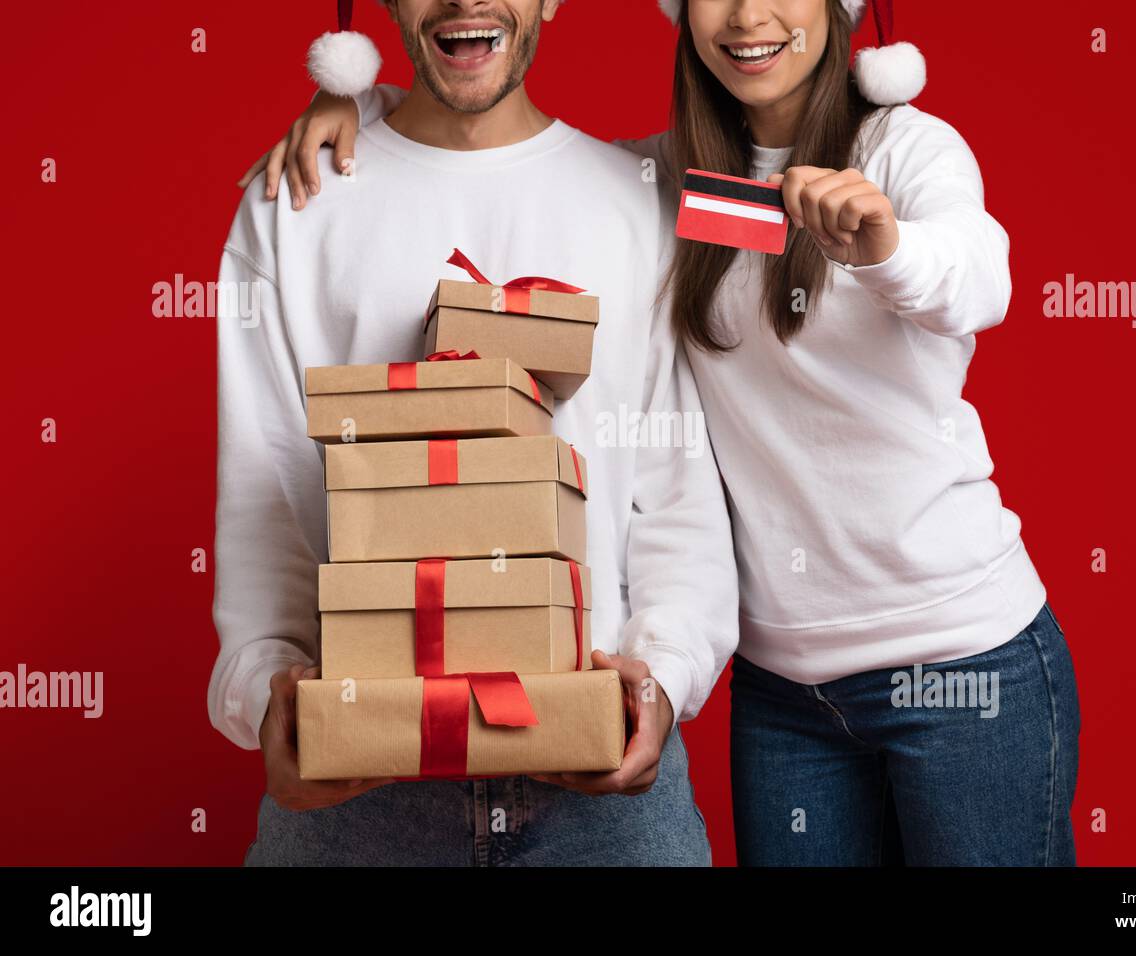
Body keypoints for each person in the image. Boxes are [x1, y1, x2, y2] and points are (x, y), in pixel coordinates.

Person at [248, 0, 1082, 866]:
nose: (748, 15)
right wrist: (361, 107)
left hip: (957, 655)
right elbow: (489, 145)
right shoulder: (677, 186)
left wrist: (886, 245)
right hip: (787, 688)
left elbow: (979, 278)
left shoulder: (904, 150)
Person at [212, 0, 739, 866]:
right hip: (361, 788)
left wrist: (664, 682)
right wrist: (266, 696)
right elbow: (264, 494)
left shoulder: (640, 199)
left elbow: (675, 496)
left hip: (597, 776)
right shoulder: (294, 202)